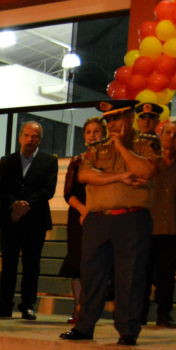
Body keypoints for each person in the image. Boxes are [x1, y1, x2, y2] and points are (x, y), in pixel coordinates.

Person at [61, 100, 158, 345]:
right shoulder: (97, 147)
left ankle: (127, 330)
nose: (112, 124)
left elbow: (145, 171)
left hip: (131, 218)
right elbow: (84, 174)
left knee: (130, 275)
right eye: (109, 120)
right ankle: (84, 326)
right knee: (91, 275)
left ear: (129, 118)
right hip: (98, 219)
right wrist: (121, 176)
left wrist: (122, 148)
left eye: (117, 119)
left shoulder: (146, 142)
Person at [0, 122, 58, 320]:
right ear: (20, 137)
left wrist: (26, 205)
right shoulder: (6, 161)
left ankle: (27, 306)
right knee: (8, 265)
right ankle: (4, 307)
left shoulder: (49, 162)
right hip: (10, 218)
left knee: (31, 265)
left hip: (35, 220)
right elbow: (1, 190)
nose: (30, 139)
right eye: (26, 135)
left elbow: (48, 190)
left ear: (40, 140)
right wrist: (15, 205)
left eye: (34, 136)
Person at [143, 119, 176, 328]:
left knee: (167, 275)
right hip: (146, 227)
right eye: (168, 132)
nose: (171, 137)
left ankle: (164, 315)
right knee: (143, 272)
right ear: (161, 135)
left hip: (173, 227)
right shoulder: (149, 163)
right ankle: (139, 313)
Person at [58, 116, 106, 326]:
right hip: (79, 216)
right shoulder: (77, 161)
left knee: (97, 265)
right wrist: (84, 210)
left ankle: (91, 309)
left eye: (97, 131)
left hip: (102, 215)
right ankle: (78, 307)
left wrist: (95, 209)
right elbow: (68, 193)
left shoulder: (110, 160)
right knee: (77, 263)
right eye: (89, 132)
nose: (92, 135)